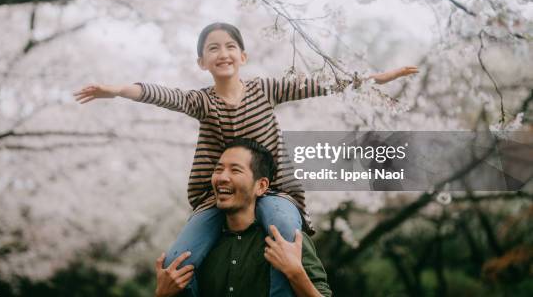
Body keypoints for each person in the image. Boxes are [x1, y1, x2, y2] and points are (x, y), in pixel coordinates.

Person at [73, 22, 417, 296]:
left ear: (243, 56)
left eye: (230, 46)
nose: (222, 53)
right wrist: (118, 91)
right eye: (212, 48)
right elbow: (163, 95)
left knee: (284, 234)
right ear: (201, 62)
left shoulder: (265, 90)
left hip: (275, 189)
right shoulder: (202, 101)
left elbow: (318, 84)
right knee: (179, 259)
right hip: (217, 196)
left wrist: (374, 79)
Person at [154, 137, 332, 297]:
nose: (223, 177)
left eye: (235, 171)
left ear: (261, 186)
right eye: (219, 169)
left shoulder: (287, 242)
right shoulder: (197, 246)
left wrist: (295, 273)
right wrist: (162, 295)